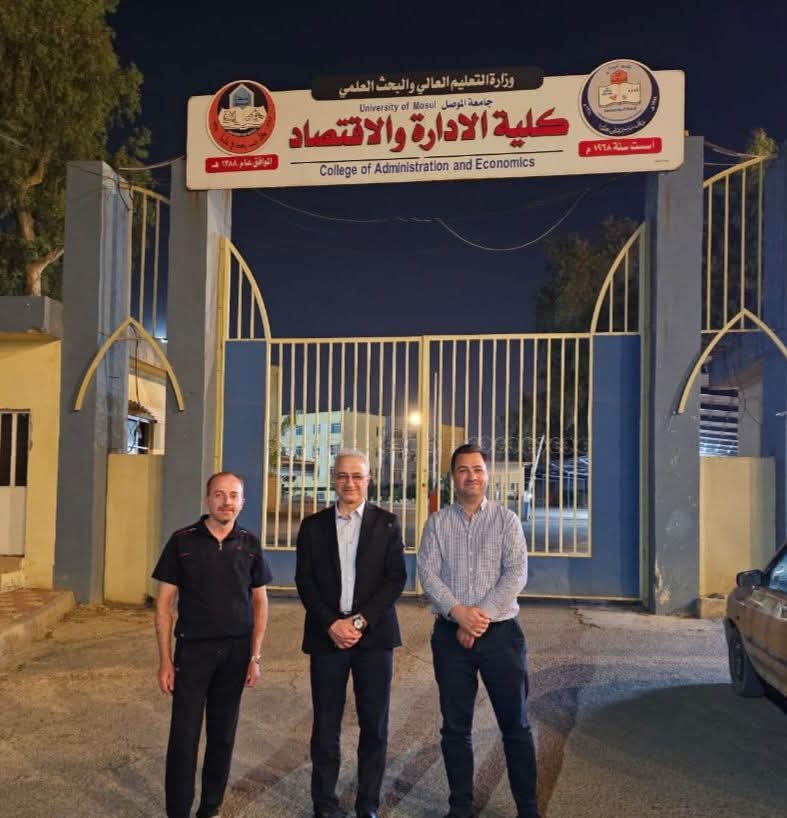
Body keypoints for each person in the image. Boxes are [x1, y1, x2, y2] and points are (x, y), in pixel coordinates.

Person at [417, 443, 539, 818]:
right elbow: (427, 574)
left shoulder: (506, 521)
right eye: (462, 470)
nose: (470, 476)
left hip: (501, 636)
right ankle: (461, 807)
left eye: (477, 469)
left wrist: (478, 617)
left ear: (487, 475)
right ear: (453, 477)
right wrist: (458, 614)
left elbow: (516, 574)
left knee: (515, 725)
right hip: (450, 638)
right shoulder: (437, 524)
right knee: (455, 728)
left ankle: (528, 808)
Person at [153, 471, 272, 818]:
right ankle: (178, 810)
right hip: (193, 652)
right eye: (219, 495)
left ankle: (210, 808)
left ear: (243, 502)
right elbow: (164, 604)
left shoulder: (250, 544)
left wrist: (254, 656)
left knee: (223, 735)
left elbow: (260, 602)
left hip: (235, 654)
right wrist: (165, 661)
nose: (226, 502)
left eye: (233, 495)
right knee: (184, 737)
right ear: (207, 499)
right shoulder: (182, 542)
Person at [295, 448, 406, 818]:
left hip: (373, 639)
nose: (350, 483)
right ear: (333, 479)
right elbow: (304, 580)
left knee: (374, 725)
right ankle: (324, 803)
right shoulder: (312, 526)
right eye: (343, 476)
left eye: (357, 476)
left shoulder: (387, 524)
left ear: (368, 480)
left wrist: (358, 622)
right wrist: (332, 623)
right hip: (327, 636)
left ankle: (367, 804)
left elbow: (395, 580)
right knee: (326, 725)